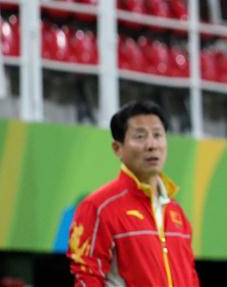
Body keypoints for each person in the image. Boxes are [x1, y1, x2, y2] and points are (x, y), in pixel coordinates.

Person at [67, 100, 199, 286]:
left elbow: (191, 278)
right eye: (140, 136)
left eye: (158, 135)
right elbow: (87, 277)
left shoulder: (176, 212)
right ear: (117, 148)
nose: (152, 145)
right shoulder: (98, 208)